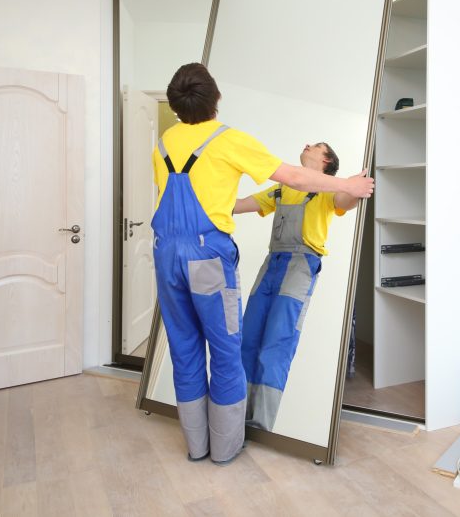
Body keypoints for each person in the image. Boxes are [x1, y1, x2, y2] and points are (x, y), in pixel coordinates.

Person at [151, 63, 374, 465]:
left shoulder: (166, 140)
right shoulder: (231, 141)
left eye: (317, 146)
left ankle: (202, 443)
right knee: (229, 347)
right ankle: (225, 446)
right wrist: (349, 183)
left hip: (168, 254)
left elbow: (336, 199)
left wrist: (348, 190)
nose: (309, 145)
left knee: (190, 348)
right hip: (211, 258)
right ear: (215, 100)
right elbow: (274, 186)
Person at [233, 142, 362, 431]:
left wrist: (355, 188)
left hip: (301, 265)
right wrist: (206, 197)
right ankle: (233, 417)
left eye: (316, 146)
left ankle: (260, 424)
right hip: (272, 264)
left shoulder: (328, 189)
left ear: (326, 160)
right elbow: (240, 206)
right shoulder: (280, 189)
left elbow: (346, 201)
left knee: (277, 342)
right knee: (248, 338)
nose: (307, 145)